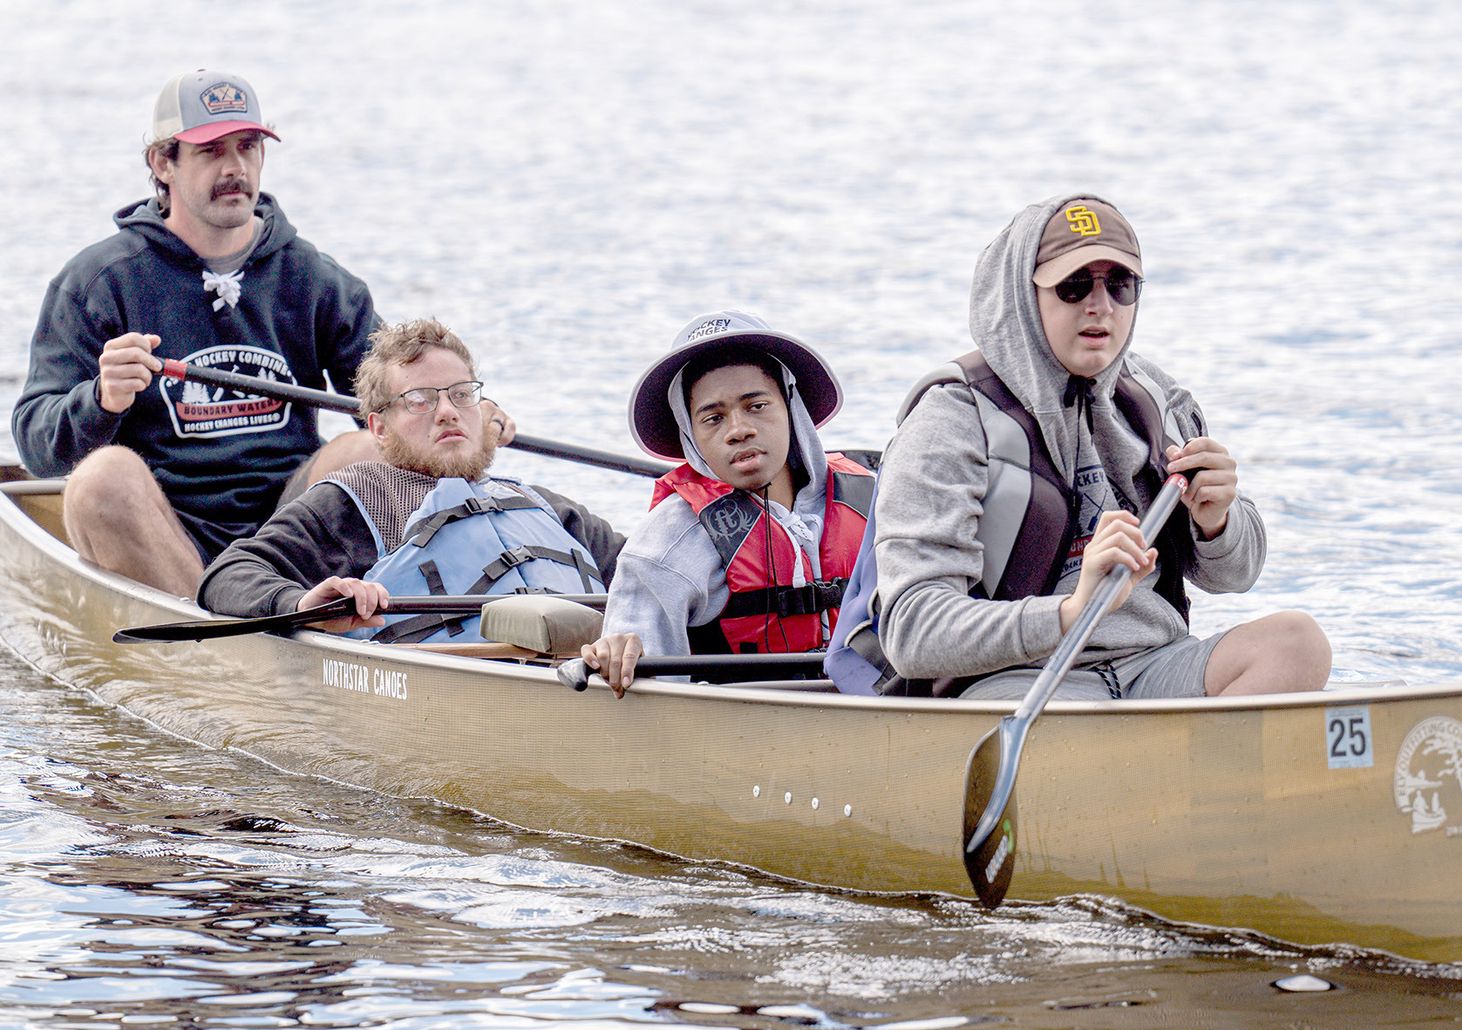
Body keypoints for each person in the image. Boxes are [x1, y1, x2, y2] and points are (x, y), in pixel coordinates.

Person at [12, 70, 512, 597]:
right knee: (99, 479)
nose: (234, 168)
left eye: (247, 147)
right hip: (165, 532)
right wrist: (100, 400)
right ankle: (216, 639)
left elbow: (395, 398)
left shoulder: (313, 278)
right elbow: (36, 448)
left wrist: (461, 411)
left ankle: (381, 616)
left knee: (371, 446)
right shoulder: (98, 282)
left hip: (292, 532)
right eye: (210, 151)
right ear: (163, 162)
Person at [836, 194, 1329, 700]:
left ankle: (1183, 769)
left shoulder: (1157, 398)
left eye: (1119, 285)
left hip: (1153, 663)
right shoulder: (948, 420)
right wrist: (1070, 613)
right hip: (1019, 682)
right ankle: (1172, 767)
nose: (1100, 306)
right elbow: (913, 633)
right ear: (1023, 296)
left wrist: (1218, 520)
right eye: (1072, 286)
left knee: (1296, 644)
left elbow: (1236, 576)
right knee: (1057, 731)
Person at [197, 318, 622, 643]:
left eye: (461, 394)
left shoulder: (542, 505)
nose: (447, 411)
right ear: (380, 428)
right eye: (419, 400)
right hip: (461, 694)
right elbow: (227, 574)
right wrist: (302, 605)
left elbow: (650, 570)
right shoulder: (357, 504)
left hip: (588, 676)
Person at [580, 310, 873, 696]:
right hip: (745, 733)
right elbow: (639, 678)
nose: (739, 430)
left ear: (790, 407)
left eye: (757, 406)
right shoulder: (664, 544)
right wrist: (618, 650)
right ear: (690, 434)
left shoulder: (873, 498)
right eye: (713, 418)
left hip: (881, 712)